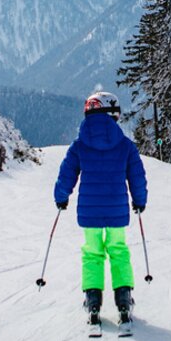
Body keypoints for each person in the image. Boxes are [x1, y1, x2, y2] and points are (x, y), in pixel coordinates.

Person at [54, 90, 147, 328]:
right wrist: (139, 199)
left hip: (90, 212)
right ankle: (124, 301)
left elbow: (67, 173)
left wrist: (61, 196)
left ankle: (93, 302)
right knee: (118, 251)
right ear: (112, 113)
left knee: (92, 254)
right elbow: (136, 175)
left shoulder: (79, 145)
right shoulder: (125, 145)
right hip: (117, 211)